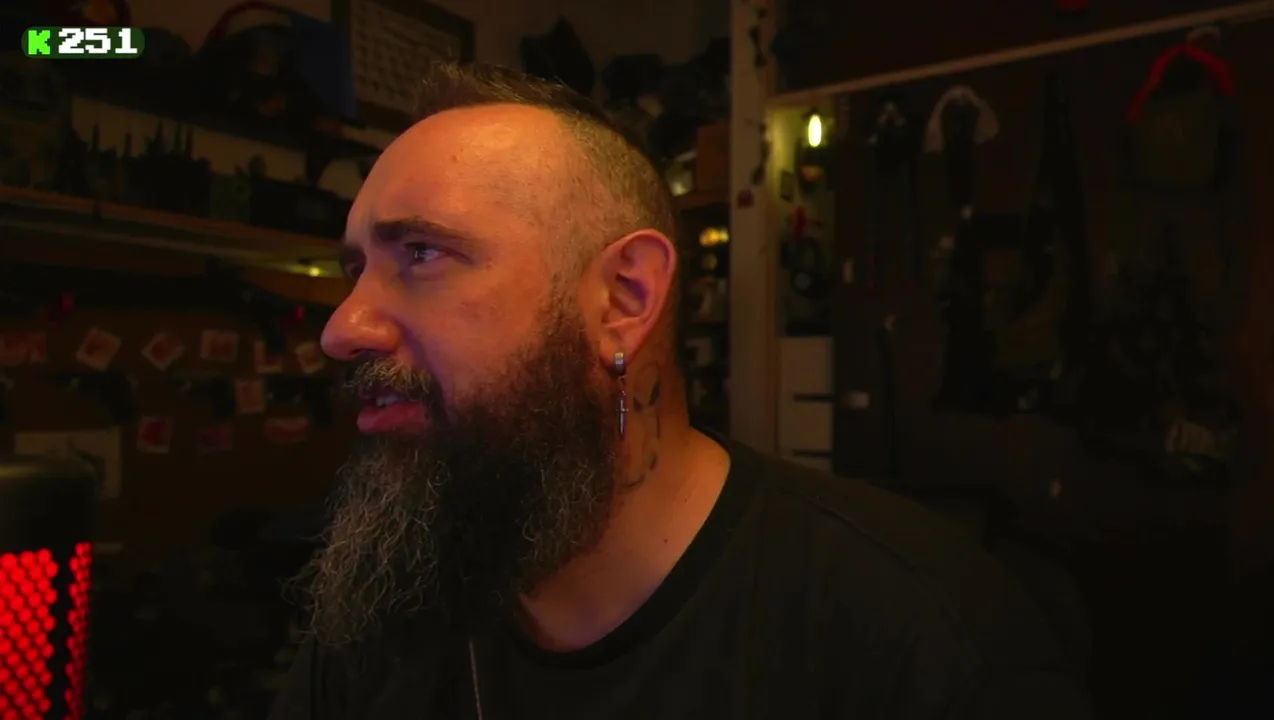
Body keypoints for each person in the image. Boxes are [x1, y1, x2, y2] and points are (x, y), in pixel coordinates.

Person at [269, 61, 1092, 719]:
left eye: (420, 254)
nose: (342, 328)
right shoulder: (379, 619)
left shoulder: (920, 636)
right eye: (354, 270)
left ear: (624, 297)